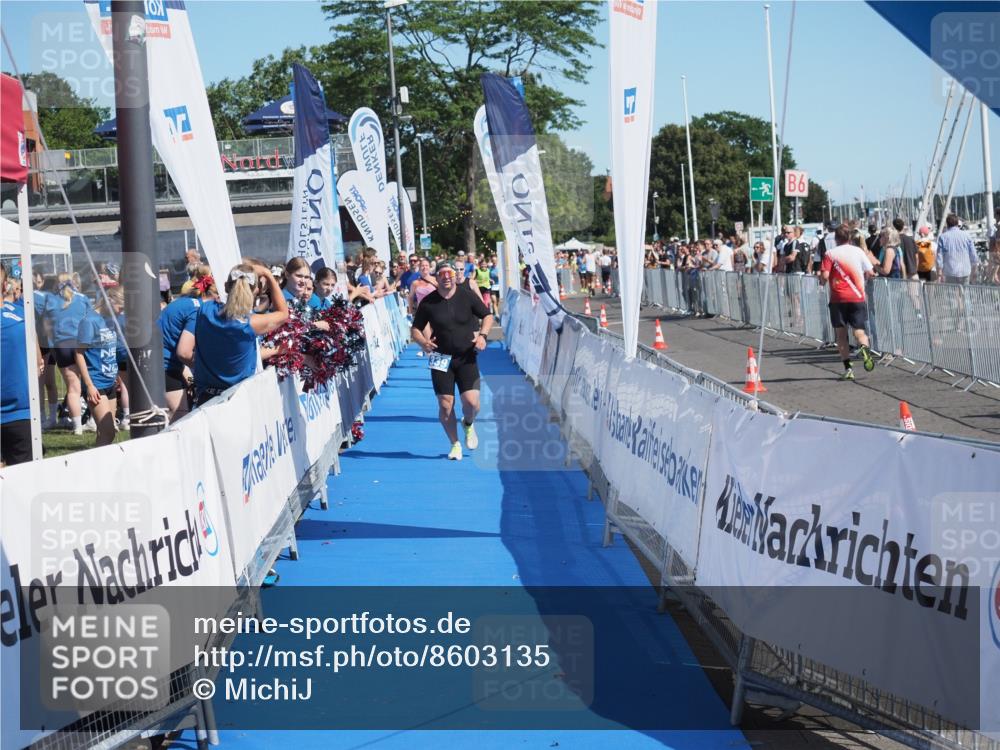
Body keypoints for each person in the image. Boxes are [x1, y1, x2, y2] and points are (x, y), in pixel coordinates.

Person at [410, 261, 493, 461]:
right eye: (442, 275)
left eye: (450, 274)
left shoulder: (467, 296)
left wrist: (483, 336)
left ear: (455, 276)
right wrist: (423, 342)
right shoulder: (428, 302)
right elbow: (415, 329)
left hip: (466, 355)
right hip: (440, 357)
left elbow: (487, 315)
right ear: (436, 278)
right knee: (446, 405)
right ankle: (455, 444)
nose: (446, 277)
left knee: (472, 403)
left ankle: (468, 424)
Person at [191, 263, 288, 406]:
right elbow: (284, 313)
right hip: (238, 400)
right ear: (256, 291)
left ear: (225, 286)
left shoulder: (205, 310)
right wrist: (268, 274)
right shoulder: (251, 323)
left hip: (205, 399)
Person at [158, 265, 216, 422]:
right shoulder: (198, 311)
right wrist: (209, 370)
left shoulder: (188, 302)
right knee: (180, 416)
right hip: (163, 365)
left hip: (164, 363)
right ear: (217, 297)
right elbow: (184, 352)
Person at [819, 224, 876, 381]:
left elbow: (824, 276)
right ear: (850, 237)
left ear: (836, 238)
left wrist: (822, 282)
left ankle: (848, 368)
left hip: (838, 299)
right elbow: (870, 271)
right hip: (857, 297)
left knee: (841, 335)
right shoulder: (858, 251)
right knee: (859, 331)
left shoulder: (830, 254)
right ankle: (865, 348)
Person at [1, 264, 44, 466]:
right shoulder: (20, 317)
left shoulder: (20, 316)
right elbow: (38, 362)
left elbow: (38, 361)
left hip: (21, 412)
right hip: (21, 412)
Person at [42, 273, 90, 434]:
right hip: (82, 344)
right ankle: (92, 421)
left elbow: (46, 325)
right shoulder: (82, 299)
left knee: (73, 388)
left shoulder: (50, 300)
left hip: (61, 345)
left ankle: (77, 427)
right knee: (89, 384)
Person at [75, 288, 123, 447]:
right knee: (108, 431)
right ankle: (96, 467)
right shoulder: (89, 321)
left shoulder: (111, 319)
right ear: (110, 301)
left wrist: (116, 374)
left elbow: (108, 349)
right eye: (120, 308)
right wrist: (89, 385)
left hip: (110, 382)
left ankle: (101, 466)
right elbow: (79, 353)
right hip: (96, 383)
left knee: (107, 432)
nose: (121, 312)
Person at [935, 213, 978, 284]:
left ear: (947, 224)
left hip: (950, 271)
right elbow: (973, 256)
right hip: (965, 270)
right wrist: (974, 271)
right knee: (964, 293)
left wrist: (939, 274)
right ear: (957, 223)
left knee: (952, 294)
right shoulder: (967, 235)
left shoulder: (942, 237)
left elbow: (939, 258)